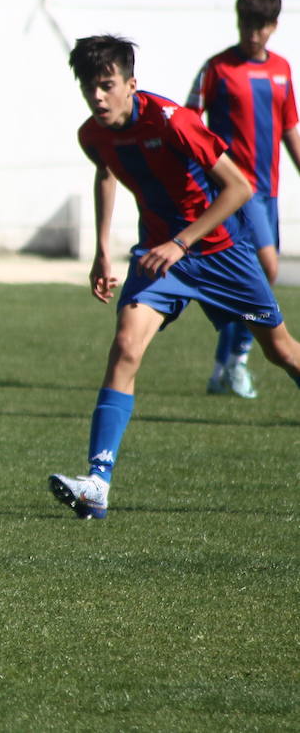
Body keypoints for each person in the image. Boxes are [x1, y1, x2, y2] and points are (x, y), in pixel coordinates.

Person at [48, 34, 300, 519]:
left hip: (223, 255)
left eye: (106, 85)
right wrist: (101, 252)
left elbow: (239, 187)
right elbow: (106, 172)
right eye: (88, 87)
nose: (97, 96)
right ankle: (97, 484)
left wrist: (182, 242)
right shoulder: (93, 134)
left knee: (282, 352)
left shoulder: (173, 121)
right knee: (125, 347)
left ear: (131, 84)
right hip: (159, 259)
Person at [185, 0, 300, 399]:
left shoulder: (282, 69)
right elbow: (188, 122)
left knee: (249, 281)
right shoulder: (217, 68)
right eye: (246, 25)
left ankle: (226, 367)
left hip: (268, 193)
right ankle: (237, 362)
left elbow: (289, 127)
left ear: (274, 27)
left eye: (260, 26)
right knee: (266, 271)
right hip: (235, 191)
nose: (252, 34)